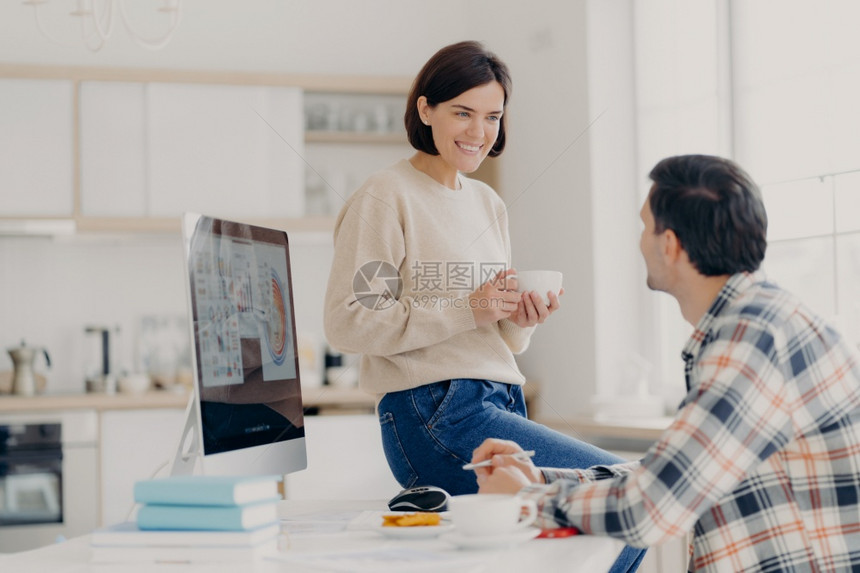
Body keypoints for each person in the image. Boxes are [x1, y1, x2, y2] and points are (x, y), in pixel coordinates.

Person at [324, 41, 645, 571]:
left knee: (586, 526)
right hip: (434, 413)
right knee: (628, 498)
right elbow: (350, 321)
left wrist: (520, 321)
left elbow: (489, 333)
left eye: (492, 116)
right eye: (463, 113)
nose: (479, 131)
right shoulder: (386, 196)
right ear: (426, 110)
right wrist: (466, 310)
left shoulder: (487, 203)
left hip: (498, 402)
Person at [472, 154, 860, 572]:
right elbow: (673, 472)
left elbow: (652, 507)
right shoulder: (756, 322)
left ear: (670, 244)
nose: (640, 242)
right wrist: (539, 479)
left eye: (644, 227)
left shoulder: (751, 341)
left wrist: (527, 500)